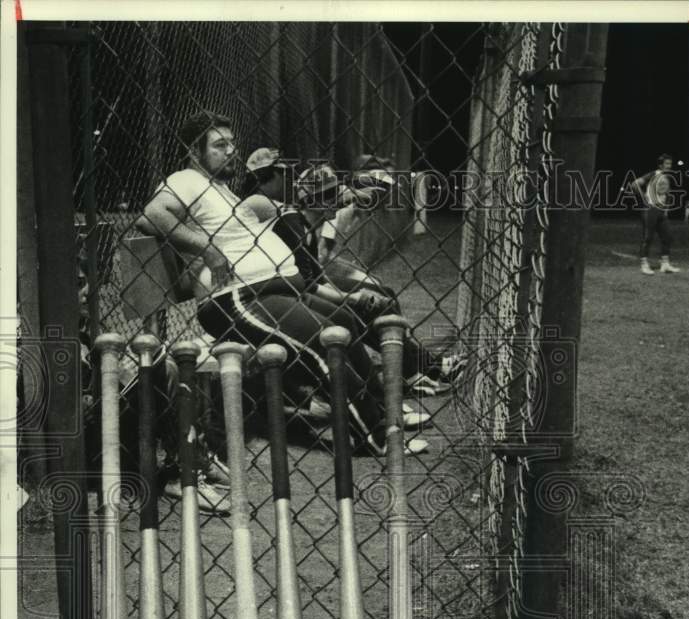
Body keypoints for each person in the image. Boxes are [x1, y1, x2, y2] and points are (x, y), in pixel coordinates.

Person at [138, 111, 427, 457]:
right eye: (219, 145)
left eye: (232, 143)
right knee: (325, 344)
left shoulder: (221, 190)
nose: (231, 150)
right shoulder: (186, 179)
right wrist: (209, 250)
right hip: (236, 297)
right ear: (193, 151)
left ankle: (384, 414)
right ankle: (376, 435)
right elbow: (151, 214)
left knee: (345, 323)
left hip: (273, 288)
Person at [242, 150, 465, 400]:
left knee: (380, 297)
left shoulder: (305, 213)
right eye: (325, 196)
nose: (333, 201)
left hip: (308, 279)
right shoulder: (277, 212)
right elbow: (314, 273)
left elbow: (317, 263)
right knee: (365, 306)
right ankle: (412, 372)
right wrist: (354, 294)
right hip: (289, 290)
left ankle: (417, 367)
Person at [630, 153, 681, 276]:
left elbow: (666, 194)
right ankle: (644, 265)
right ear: (660, 165)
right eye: (667, 164)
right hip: (650, 210)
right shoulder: (653, 174)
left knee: (668, 236)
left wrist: (666, 209)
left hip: (661, 211)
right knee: (648, 237)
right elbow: (634, 184)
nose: (669, 166)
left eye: (670, 164)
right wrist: (645, 199)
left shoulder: (667, 177)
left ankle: (665, 264)